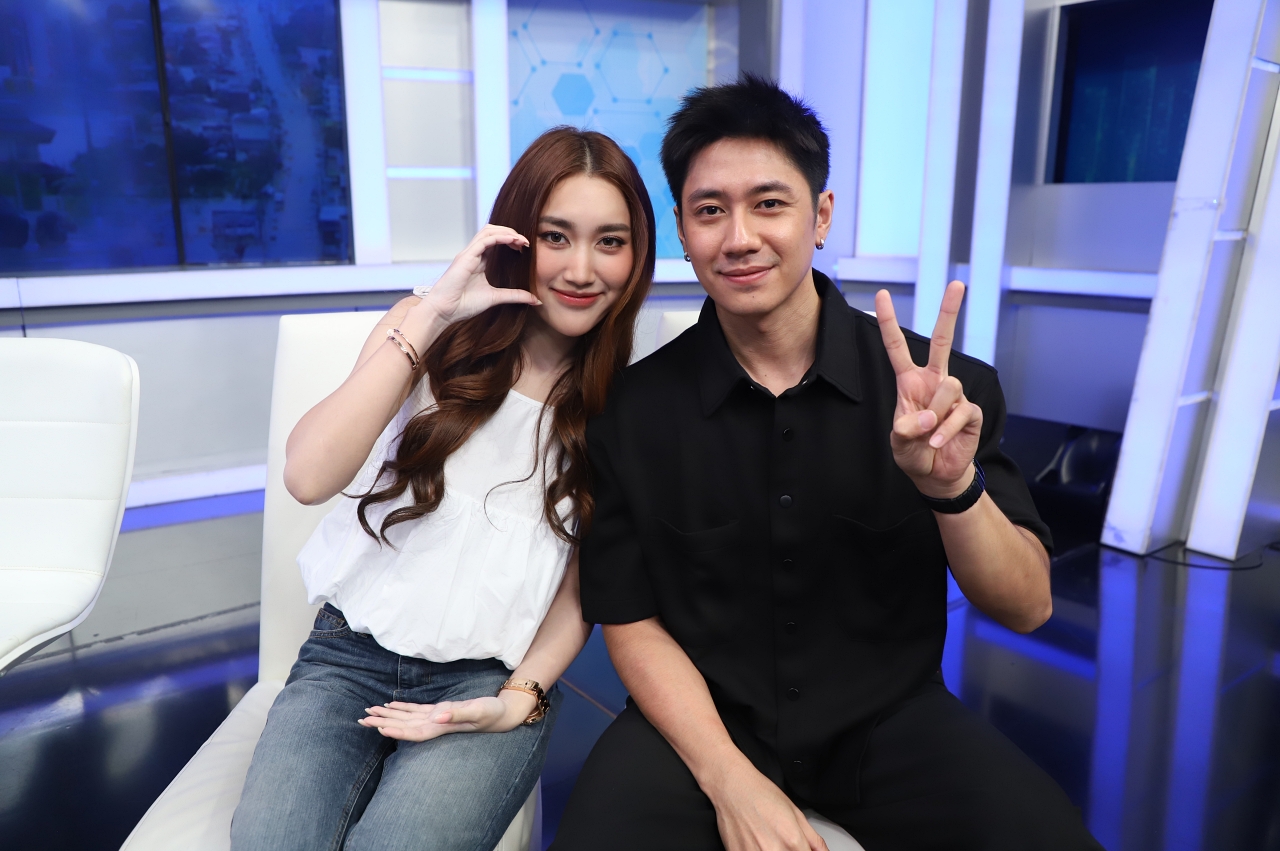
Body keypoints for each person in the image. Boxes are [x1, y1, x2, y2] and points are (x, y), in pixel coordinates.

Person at [550, 77, 1103, 850]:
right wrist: (730, 778)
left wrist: (953, 488)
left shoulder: (942, 393)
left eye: (769, 204)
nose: (739, 237)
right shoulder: (632, 410)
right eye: (710, 210)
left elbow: (1028, 605)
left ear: (821, 216)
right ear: (681, 228)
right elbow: (631, 620)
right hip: (701, 727)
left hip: (889, 723)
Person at [230, 126, 655, 851]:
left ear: (636, 255)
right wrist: (431, 314)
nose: (582, 268)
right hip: (346, 659)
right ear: (517, 237)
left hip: (485, 680)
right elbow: (308, 475)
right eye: (556, 236)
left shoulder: (627, 403)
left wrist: (517, 698)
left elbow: (579, 591)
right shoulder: (425, 330)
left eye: (609, 242)